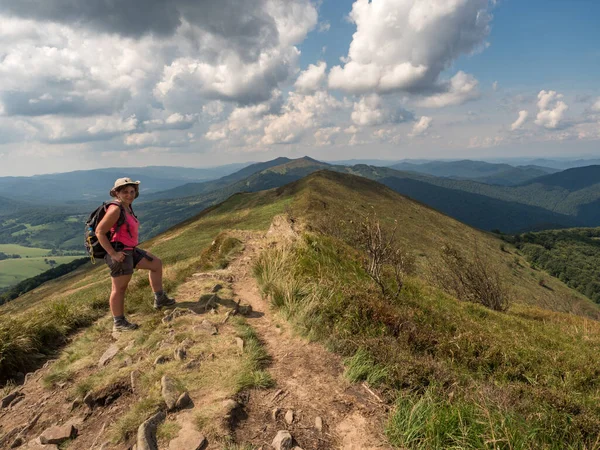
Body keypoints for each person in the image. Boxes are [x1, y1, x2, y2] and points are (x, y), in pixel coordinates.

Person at [96, 177, 176, 331]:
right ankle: (118, 323)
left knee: (156, 263)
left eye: (132, 191)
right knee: (119, 288)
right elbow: (100, 232)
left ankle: (160, 299)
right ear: (117, 193)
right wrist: (113, 254)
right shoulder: (116, 209)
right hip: (120, 253)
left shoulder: (127, 207)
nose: (130, 195)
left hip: (130, 250)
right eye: (125, 192)